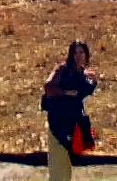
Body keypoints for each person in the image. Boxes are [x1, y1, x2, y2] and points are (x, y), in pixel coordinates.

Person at [42, 40, 98, 181]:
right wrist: (66, 92)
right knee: (57, 168)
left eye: (81, 52)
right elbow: (48, 87)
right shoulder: (62, 69)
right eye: (76, 52)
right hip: (57, 124)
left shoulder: (84, 75)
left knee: (66, 169)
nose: (79, 56)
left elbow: (86, 90)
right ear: (71, 54)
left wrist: (91, 80)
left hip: (72, 125)